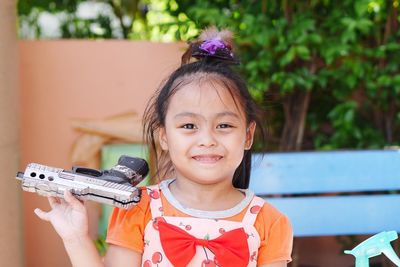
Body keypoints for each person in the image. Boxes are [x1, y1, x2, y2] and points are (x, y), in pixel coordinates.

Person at [34, 27, 293, 267]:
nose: (207, 140)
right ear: (164, 137)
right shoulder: (138, 208)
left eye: (224, 126)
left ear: (248, 136)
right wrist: (75, 238)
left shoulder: (269, 222)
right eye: (189, 126)